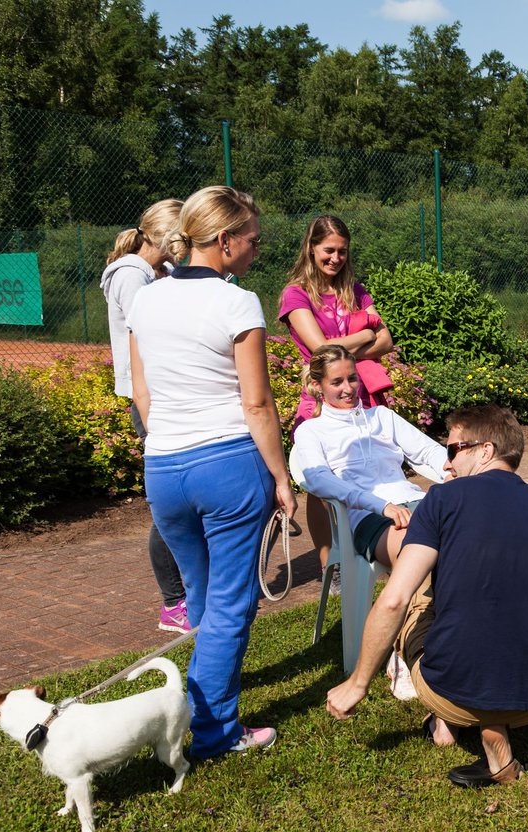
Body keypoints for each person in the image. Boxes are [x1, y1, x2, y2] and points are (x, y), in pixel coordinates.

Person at [290, 345, 528, 700]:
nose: (348, 389)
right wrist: (381, 505)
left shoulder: (382, 418)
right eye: (337, 382)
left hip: (420, 504)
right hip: (368, 517)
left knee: (507, 550)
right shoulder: (311, 432)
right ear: (317, 386)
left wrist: (459, 475)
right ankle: (402, 653)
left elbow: (432, 453)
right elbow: (319, 481)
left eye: (353, 378)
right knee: (424, 564)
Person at [325, 405, 528, 788]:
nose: (447, 465)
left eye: (453, 451)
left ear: (485, 451)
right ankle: (491, 718)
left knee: (418, 593)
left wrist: (356, 685)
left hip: (452, 690)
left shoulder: (442, 499)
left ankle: (454, 717)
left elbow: (395, 599)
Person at [129, 185, 297, 758]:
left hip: (164, 467)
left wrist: (166, 446)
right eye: (252, 240)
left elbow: (143, 392)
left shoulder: (145, 299)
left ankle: (202, 701)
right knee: (231, 604)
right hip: (227, 464)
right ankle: (214, 733)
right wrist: (281, 476)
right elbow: (257, 403)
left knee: (203, 600)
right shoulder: (237, 302)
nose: (256, 250)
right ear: (224, 241)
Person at [279, 215, 395, 584]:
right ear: (312, 249)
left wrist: (344, 350)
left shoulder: (356, 290)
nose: (336, 258)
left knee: (369, 470)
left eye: (342, 251)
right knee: (320, 482)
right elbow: (318, 349)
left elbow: (388, 340)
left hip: (363, 396)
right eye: (329, 250)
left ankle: (376, 546)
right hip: (320, 400)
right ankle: (333, 562)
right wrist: (363, 337)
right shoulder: (295, 294)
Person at [100, 198, 189, 634]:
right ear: (166, 235)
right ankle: (174, 602)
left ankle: (189, 593)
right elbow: (153, 335)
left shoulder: (158, 273)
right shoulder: (131, 276)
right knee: (169, 504)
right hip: (150, 399)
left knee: (182, 498)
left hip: (169, 394)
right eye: (185, 237)